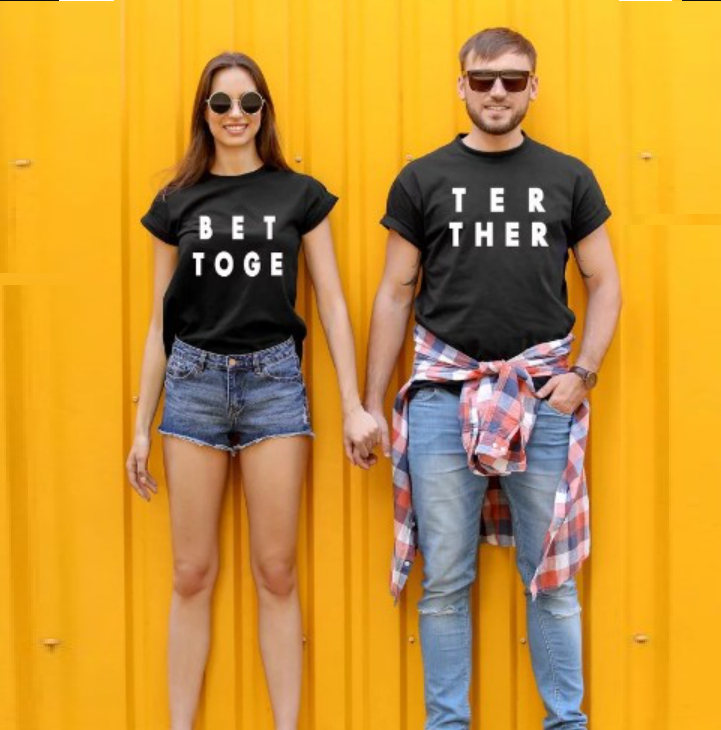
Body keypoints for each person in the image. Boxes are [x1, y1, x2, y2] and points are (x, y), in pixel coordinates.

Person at [363, 27, 622, 730]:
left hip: (543, 394)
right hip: (444, 395)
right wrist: (370, 402)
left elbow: (605, 281)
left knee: (551, 579)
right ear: (462, 87)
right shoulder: (422, 178)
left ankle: (565, 723)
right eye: (483, 80)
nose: (498, 92)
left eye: (512, 79)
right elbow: (395, 291)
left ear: (533, 86)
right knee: (446, 579)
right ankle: (448, 725)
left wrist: (583, 375)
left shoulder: (569, 177)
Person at [125, 51, 379, 730]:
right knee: (191, 574)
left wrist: (353, 405)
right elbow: (160, 322)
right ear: (203, 113)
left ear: (264, 111)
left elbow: (331, 303)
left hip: (274, 385)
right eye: (221, 103)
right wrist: (141, 425)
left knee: (276, 572)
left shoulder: (299, 195)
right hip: (193, 384)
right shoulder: (175, 202)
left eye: (248, 102)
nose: (235, 114)